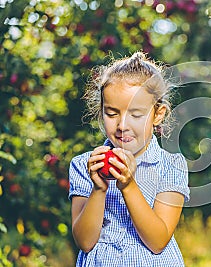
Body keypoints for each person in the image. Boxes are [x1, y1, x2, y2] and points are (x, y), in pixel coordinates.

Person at [68, 52, 190, 266]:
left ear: (158, 114)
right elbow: (85, 242)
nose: (122, 125)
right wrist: (99, 189)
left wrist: (128, 185)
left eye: (136, 114)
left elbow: (158, 241)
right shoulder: (84, 165)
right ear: (101, 112)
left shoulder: (171, 166)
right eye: (112, 113)